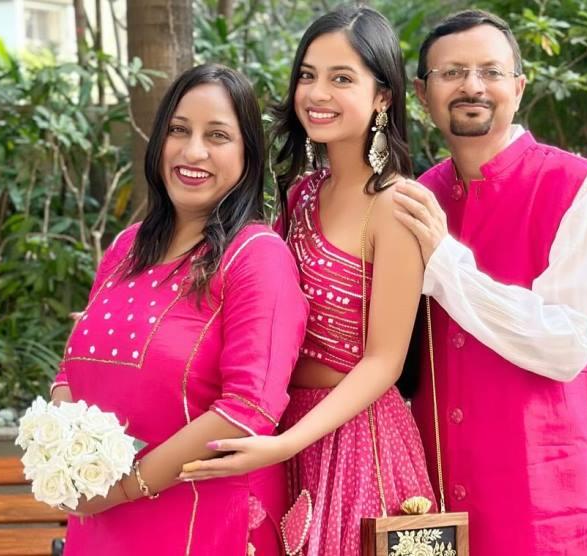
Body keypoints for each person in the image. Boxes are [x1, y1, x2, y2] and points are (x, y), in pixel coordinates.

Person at [180, 7, 436, 555]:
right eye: (307, 74)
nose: (317, 92)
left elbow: (384, 361)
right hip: (283, 433)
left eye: (341, 78)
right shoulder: (300, 196)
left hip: (360, 444)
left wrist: (285, 443)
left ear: (384, 96)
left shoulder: (397, 204)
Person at [49, 64, 308, 555]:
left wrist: (122, 489)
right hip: (97, 520)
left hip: (202, 522)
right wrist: (62, 460)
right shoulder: (128, 247)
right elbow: (71, 370)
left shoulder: (257, 256)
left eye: (217, 136)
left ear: (248, 155)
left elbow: (247, 410)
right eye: (179, 130)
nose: (193, 152)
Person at [391, 10, 587, 556]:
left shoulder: (575, 186)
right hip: (434, 504)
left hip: (545, 506)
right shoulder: (415, 197)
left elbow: (565, 345)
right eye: (451, 73)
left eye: (490, 71)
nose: (472, 85)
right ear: (423, 94)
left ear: (518, 87)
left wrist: (444, 264)